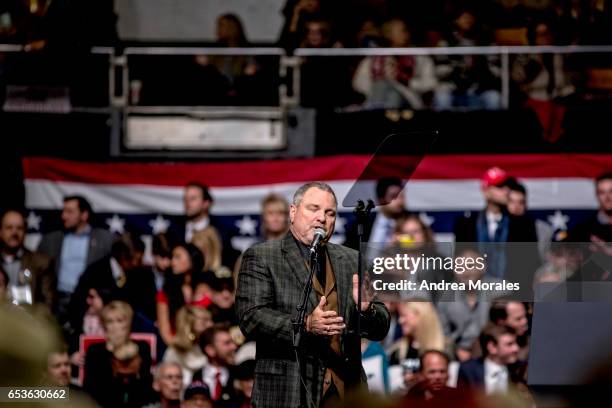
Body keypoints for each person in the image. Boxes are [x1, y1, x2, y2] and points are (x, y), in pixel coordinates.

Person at [236, 181, 390, 407]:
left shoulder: (350, 260)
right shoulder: (263, 256)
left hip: (346, 393)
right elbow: (250, 318)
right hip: (287, 392)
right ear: (293, 211)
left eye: (330, 213)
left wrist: (367, 311)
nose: (322, 218)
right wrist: (306, 324)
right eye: (313, 209)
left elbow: (381, 326)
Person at [38, 195, 113, 321]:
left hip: (88, 303)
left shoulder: (105, 240)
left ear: (84, 215)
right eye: (64, 211)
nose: (64, 216)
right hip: (57, 303)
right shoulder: (51, 240)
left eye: (70, 212)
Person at [83, 301, 154, 407]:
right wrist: (111, 352)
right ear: (104, 325)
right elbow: (91, 389)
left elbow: (146, 387)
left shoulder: (142, 348)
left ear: (129, 323)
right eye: (110, 321)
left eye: (120, 321)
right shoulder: (95, 351)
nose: (115, 326)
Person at [0, 209, 55, 308]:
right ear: (1, 232)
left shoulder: (41, 263)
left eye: (19, 228)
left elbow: (48, 304)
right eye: (9, 228)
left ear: (25, 232)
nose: (14, 232)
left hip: (27, 320)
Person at [387, 301, 445, 392]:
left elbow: (451, 384)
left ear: (420, 316)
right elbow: (392, 388)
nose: (400, 321)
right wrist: (405, 382)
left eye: (404, 316)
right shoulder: (397, 350)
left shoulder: (445, 347)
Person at [157, 243, 207, 346]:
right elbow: (165, 333)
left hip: (203, 346)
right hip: (177, 347)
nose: (172, 262)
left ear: (192, 259)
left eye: (178, 257)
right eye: (172, 257)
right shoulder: (165, 293)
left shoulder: (205, 288)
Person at [457, 324, 521, 395]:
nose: (516, 348)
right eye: (510, 344)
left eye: (516, 343)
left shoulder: (521, 369)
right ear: (492, 347)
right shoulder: (468, 370)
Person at [163, 305, 212, 387]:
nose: (211, 324)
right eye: (205, 321)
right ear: (190, 322)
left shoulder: (207, 347)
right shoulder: (174, 351)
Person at [192, 324, 238, 406]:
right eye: (227, 343)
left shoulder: (238, 375)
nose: (234, 347)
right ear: (210, 350)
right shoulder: (196, 378)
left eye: (232, 342)